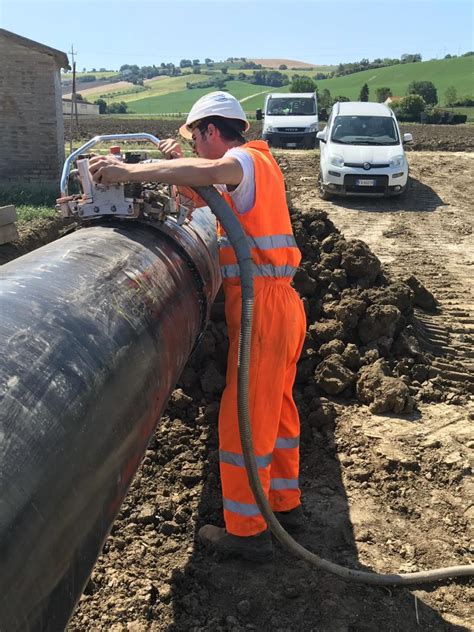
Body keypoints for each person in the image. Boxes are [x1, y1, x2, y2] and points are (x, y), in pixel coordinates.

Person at [89, 91, 307, 562]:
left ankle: (249, 533)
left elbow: (209, 174)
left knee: (244, 417)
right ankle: (284, 501)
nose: (197, 148)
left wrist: (128, 172)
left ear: (212, 130)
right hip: (281, 307)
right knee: (278, 407)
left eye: (196, 138)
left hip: (265, 310)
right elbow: (205, 191)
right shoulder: (255, 166)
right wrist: (175, 163)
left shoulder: (243, 161)